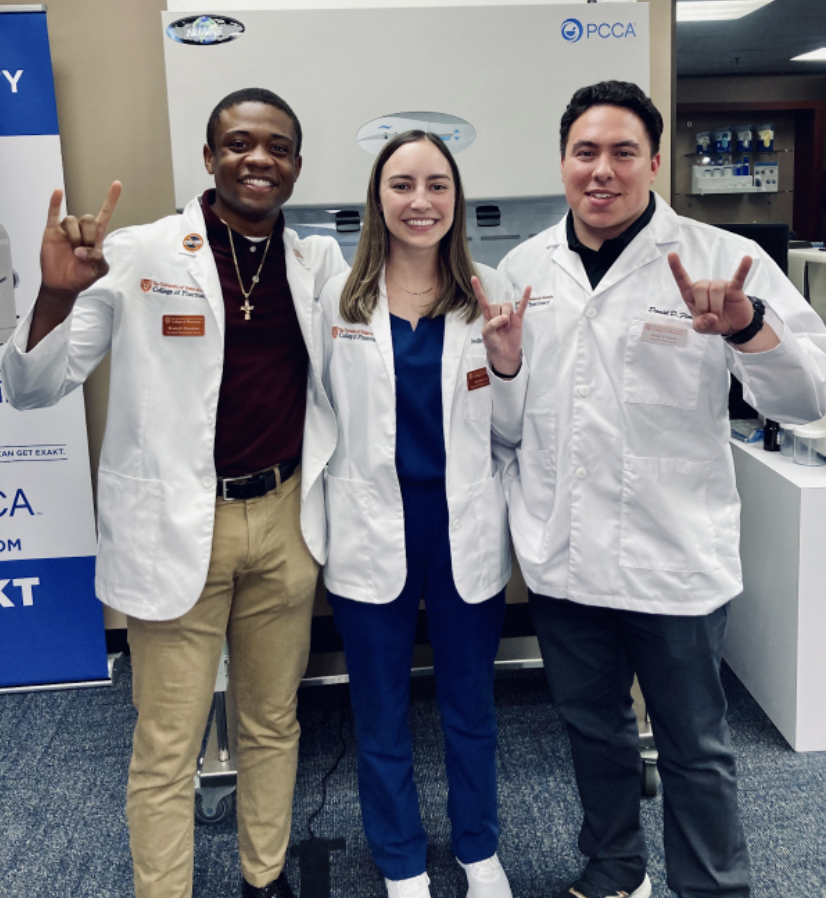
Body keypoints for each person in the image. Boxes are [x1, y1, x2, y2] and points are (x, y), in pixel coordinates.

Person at [1, 88, 348, 898]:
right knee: (167, 744)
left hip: (287, 522)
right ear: (208, 156)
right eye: (237, 143)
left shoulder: (315, 262)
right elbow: (31, 389)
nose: (257, 158)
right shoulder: (141, 252)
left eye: (276, 146)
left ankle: (265, 878)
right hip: (175, 527)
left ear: (296, 165)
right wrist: (55, 295)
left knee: (272, 722)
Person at [497, 80, 826, 898]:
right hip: (563, 552)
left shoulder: (719, 260)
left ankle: (713, 887)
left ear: (652, 161)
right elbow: (508, 411)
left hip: (671, 553)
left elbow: (810, 397)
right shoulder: (520, 266)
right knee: (591, 731)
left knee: (695, 745)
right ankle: (614, 872)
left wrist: (749, 330)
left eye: (621, 153)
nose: (601, 171)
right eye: (585, 152)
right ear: (564, 161)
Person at [316, 130, 529, 898]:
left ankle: (479, 849)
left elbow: (511, 430)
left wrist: (506, 363)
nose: (420, 201)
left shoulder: (488, 290)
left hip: (461, 523)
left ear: (456, 199)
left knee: (472, 702)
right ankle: (401, 859)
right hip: (372, 523)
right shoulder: (338, 299)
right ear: (378, 196)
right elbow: (317, 412)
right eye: (402, 184)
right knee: (380, 709)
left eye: (437, 185)